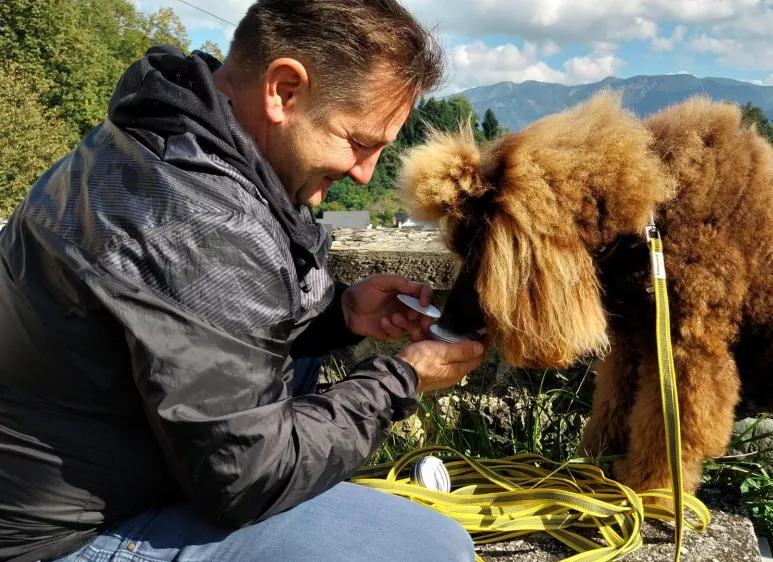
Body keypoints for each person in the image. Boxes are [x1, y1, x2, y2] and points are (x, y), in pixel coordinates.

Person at [0, 1, 486, 561]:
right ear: (283, 90)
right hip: (53, 534)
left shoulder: (167, 130)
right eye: (357, 141)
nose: (364, 172)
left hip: (50, 459)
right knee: (426, 546)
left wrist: (341, 315)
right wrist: (399, 380)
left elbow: (196, 322)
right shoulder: (203, 221)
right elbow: (246, 477)